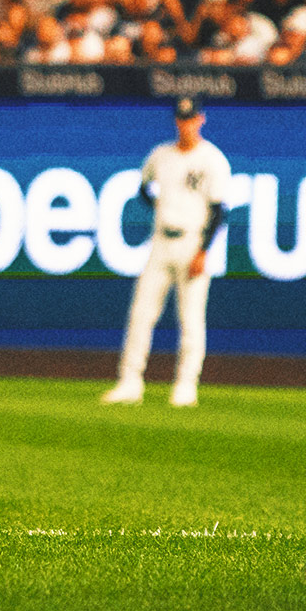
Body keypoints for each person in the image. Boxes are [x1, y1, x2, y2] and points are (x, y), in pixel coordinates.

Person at [102, 97, 232, 408]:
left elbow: (218, 210)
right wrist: (158, 204)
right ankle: (130, 382)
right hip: (161, 241)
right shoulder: (161, 155)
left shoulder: (212, 159)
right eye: (180, 118)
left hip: (192, 241)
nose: (185, 124)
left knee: (191, 319)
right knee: (141, 314)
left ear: (201, 120)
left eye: (190, 118)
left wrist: (203, 251)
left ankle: (186, 385)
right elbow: (143, 186)